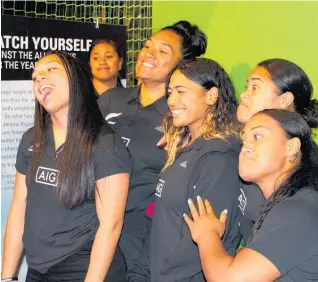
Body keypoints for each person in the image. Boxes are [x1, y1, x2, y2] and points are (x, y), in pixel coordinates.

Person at [1, 51, 133, 281]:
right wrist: (7, 276)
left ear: (76, 79)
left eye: (51, 69)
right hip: (37, 270)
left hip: (83, 267)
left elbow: (111, 226)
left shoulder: (105, 144)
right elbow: (18, 210)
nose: (40, 78)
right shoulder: (31, 139)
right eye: (35, 77)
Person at [184, 109, 318, 281]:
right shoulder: (282, 207)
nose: (245, 147)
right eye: (244, 139)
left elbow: (229, 279)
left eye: (257, 136)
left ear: (291, 147)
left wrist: (207, 234)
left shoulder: (299, 210)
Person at [97, 20, 207, 271]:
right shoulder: (110, 99)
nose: (148, 53)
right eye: (147, 46)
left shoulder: (182, 118)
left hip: (138, 238)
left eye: (162, 51)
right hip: (89, 225)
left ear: (181, 66)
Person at [128, 58, 242, 282]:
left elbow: (204, 242)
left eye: (181, 91)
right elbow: (161, 219)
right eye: (170, 93)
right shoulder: (182, 148)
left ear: (211, 95)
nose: (172, 100)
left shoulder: (219, 157)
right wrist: (140, 271)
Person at [236, 58, 318, 242]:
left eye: (255, 88)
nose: (244, 95)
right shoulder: (250, 150)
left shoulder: (309, 168)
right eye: (246, 86)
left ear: (284, 100)